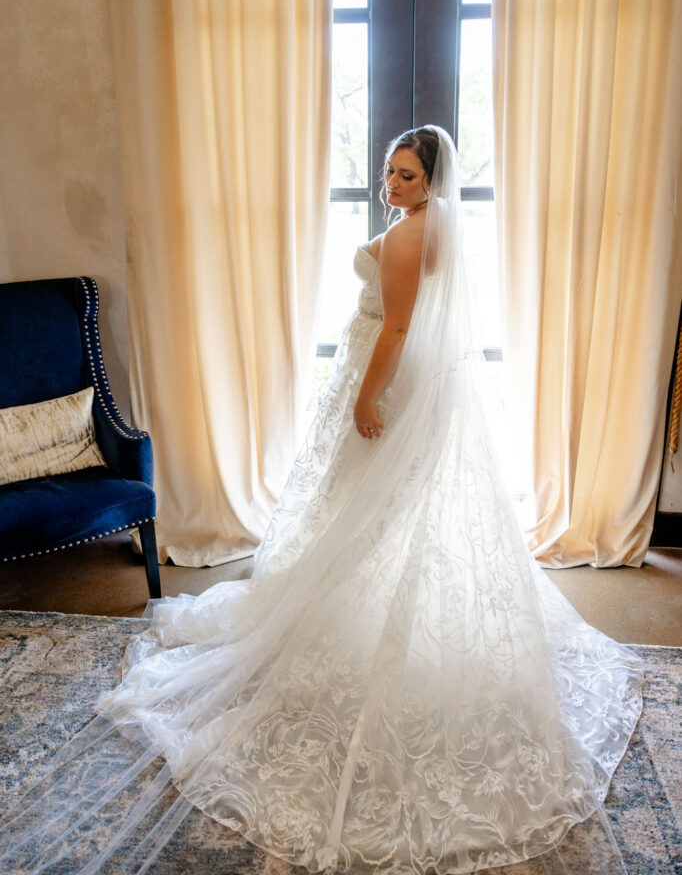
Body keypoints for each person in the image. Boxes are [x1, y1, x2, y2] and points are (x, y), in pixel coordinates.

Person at [1, 126, 643, 875]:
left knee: (365, 513)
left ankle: (368, 633)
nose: (390, 184)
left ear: (432, 182)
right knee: (380, 517)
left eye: (405, 176)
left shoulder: (409, 238)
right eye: (387, 172)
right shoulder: (433, 227)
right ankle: (372, 614)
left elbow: (398, 326)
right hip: (418, 384)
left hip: (388, 382)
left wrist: (366, 398)